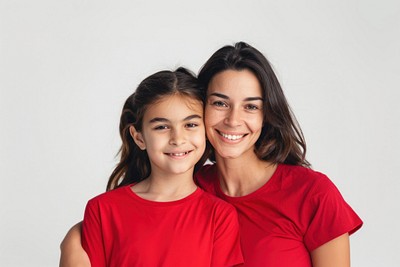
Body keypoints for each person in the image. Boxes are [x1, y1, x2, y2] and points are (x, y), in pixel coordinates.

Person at [60, 42, 363, 267]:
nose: (233, 120)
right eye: (219, 103)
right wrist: (74, 243)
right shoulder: (188, 185)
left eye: (251, 106)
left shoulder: (312, 193)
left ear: (267, 114)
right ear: (199, 108)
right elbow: (122, 223)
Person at [71, 68, 243, 267]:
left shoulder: (220, 216)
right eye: (162, 127)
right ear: (139, 137)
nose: (178, 139)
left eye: (191, 125)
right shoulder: (102, 210)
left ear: (205, 130)